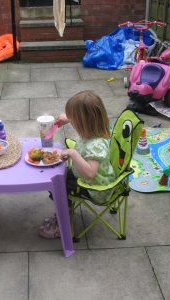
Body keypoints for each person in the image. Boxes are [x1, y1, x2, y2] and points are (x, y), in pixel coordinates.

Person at [38, 90, 116, 239]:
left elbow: (90, 173)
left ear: (84, 122)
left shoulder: (96, 144)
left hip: (95, 187)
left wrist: (73, 153)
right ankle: (63, 210)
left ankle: (61, 223)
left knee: (57, 185)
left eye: (75, 121)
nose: (73, 124)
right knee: (56, 178)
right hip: (87, 178)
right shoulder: (97, 129)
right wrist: (67, 118)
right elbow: (89, 115)